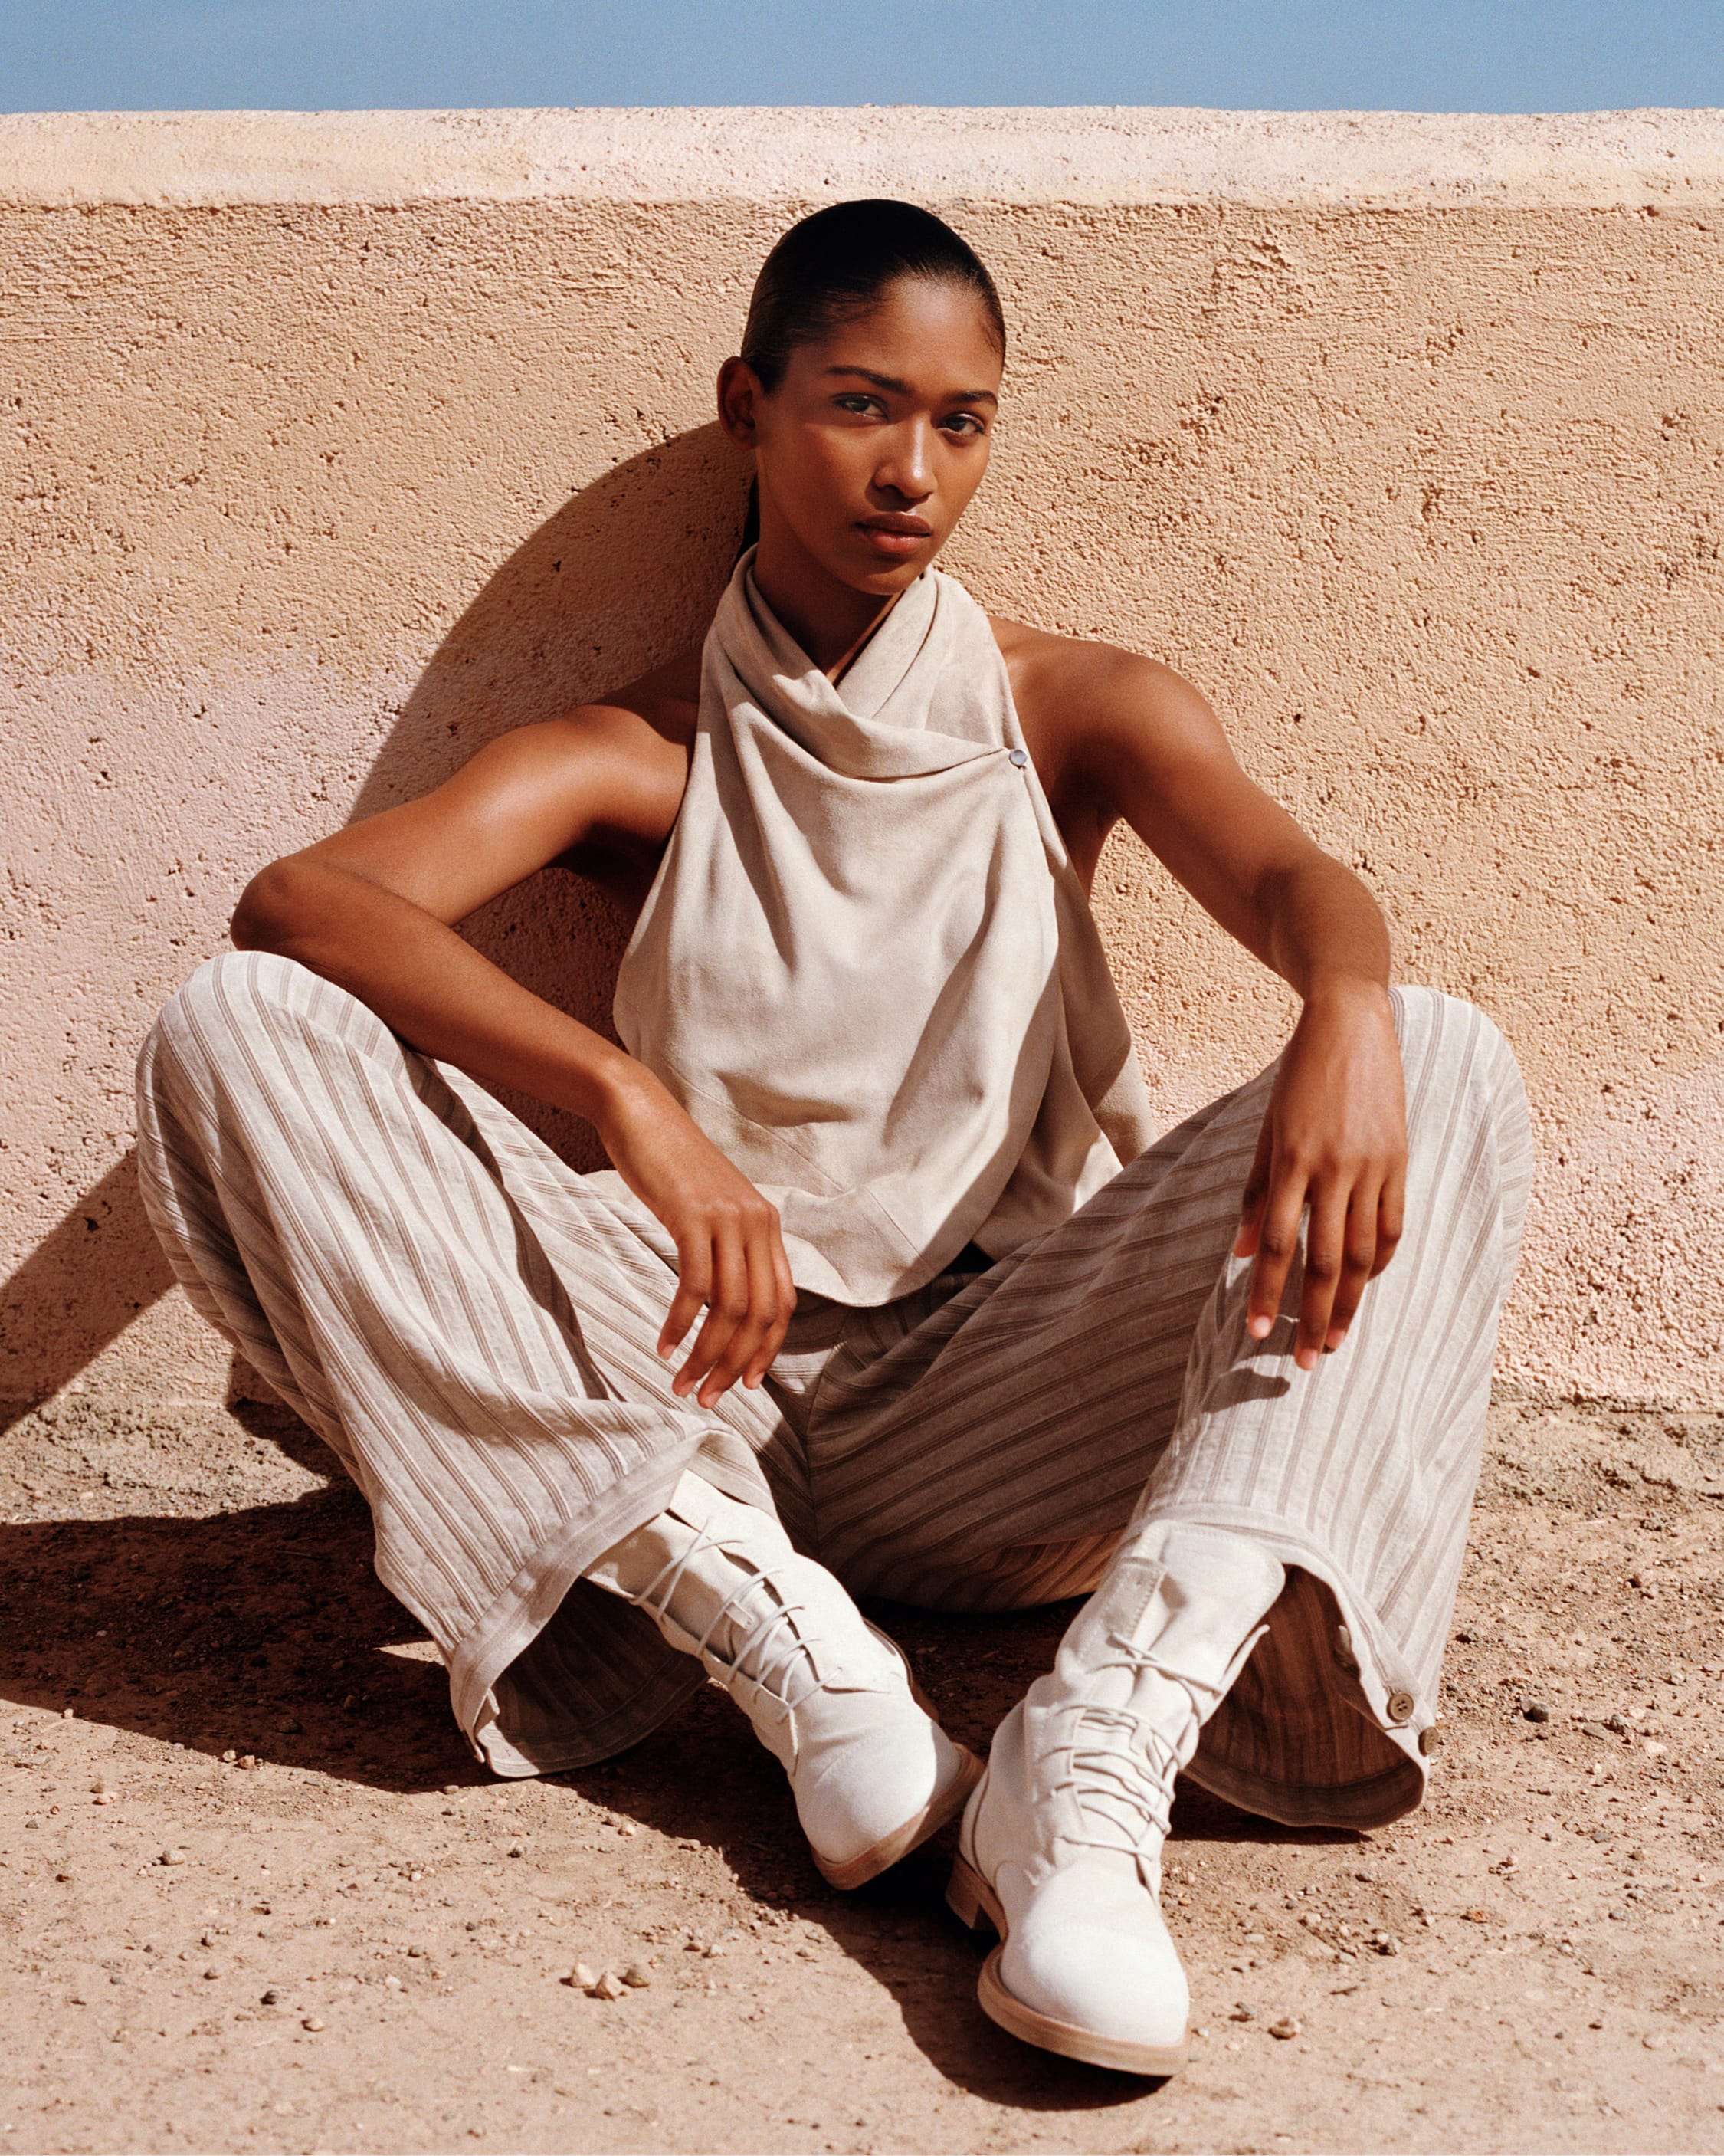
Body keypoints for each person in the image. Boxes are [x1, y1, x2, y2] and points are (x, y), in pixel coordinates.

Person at [136, 199, 1532, 2079]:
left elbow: (1295, 879)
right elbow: (305, 904)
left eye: (963, 422)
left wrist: (1348, 1006)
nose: (911, 471)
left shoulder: (1069, 709)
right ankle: (778, 1641)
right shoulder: (645, 748)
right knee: (233, 1028)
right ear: (752, 405)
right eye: (863, 404)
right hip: (688, 1393)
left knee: (1446, 1057)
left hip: (996, 1405)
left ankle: (1088, 1760)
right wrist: (627, 1103)